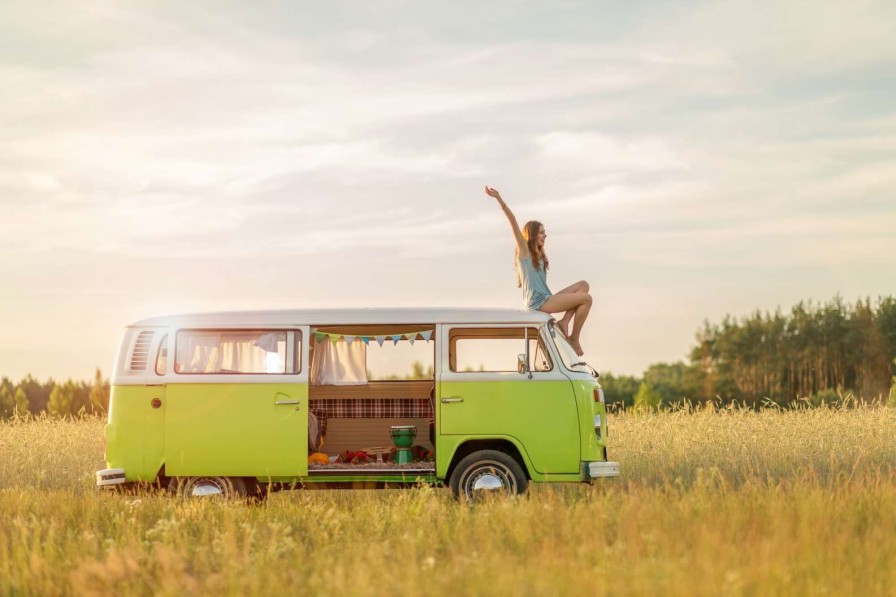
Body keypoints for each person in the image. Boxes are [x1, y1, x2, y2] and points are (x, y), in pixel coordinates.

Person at [485, 185, 592, 356]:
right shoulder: (524, 252)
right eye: (542, 232)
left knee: (583, 286)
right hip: (538, 303)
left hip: (547, 298)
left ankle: (564, 322)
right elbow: (513, 222)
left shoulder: (540, 256)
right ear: (533, 234)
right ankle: (574, 339)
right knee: (586, 299)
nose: (545, 235)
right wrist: (498, 198)